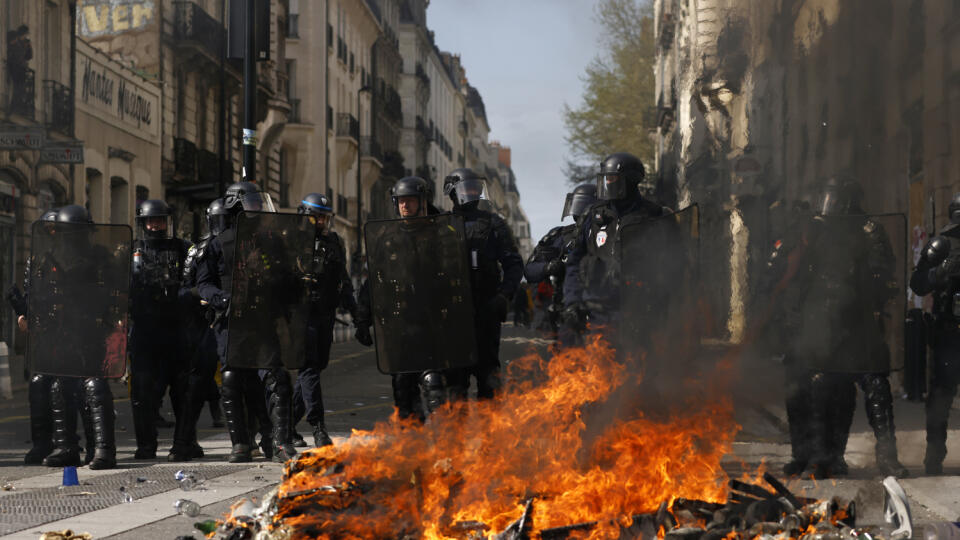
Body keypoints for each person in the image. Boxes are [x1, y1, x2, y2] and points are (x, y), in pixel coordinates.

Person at [784, 177, 908, 478]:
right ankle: (821, 456)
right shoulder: (817, 231)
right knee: (821, 384)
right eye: (828, 198)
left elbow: (884, 274)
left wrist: (870, 295)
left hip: (861, 320)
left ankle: (887, 457)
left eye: (836, 199)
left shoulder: (870, 232)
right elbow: (799, 273)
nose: (831, 205)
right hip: (824, 321)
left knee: (877, 384)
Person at [29, 205, 126, 470]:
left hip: (91, 328)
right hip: (61, 330)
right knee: (61, 387)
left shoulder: (100, 257)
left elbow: (116, 291)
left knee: (94, 385)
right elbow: (37, 294)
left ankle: (103, 448)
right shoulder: (48, 260)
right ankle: (66, 447)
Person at [197, 182, 278, 463]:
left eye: (259, 203)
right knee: (232, 378)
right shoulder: (219, 244)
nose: (257, 209)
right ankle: (240, 443)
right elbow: (203, 284)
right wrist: (222, 299)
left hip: (261, 319)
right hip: (231, 322)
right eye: (252, 204)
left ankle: (272, 437)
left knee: (267, 378)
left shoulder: (268, 240)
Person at [563, 153, 671, 345]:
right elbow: (573, 262)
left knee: (637, 372)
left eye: (612, 178)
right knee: (599, 370)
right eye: (605, 178)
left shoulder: (654, 216)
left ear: (630, 181)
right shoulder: (593, 216)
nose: (608, 183)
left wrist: (664, 309)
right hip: (597, 311)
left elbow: (671, 265)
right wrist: (572, 302)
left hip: (639, 312)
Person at [442, 168, 523, 400]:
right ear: (453, 192)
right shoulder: (440, 225)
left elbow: (514, 264)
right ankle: (456, 434)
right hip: (453, 313)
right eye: (466, 189)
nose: (471, 193)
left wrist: (504, 295)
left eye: (474, 189)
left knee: (489, 377)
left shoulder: (494, 224)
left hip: (485, 308)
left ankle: (491, 434)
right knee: (454, 381)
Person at [292, 192, 360, 447]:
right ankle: (318, 428)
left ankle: (287, 424)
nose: (320, 221)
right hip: (303, 316)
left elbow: (342, 279)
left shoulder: (334, 242)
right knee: (309, 368)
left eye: (324, 217)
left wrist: (355, 313)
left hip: (326, 314)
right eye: (316, 216)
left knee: (314, 368)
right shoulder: (295, 242)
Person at [129, 200, 189, 460]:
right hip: (144, 330)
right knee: (142, 390)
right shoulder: (132, 251)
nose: (155, 225)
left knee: (183, 390)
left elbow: (194, 280)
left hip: (176, 330)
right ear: (143, 223)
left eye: (160, 220)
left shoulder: (182, 249)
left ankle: (184, 443)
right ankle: (146, 445)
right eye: (151, 221)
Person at [168, 198, 227, 461]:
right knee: (196, 383)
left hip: (242, 324)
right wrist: (204, 295)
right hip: (208, 324)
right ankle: (182, 442)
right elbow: (183, 290)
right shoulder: (200, 249)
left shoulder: (248, 247)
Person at [910, 191, 960, 475]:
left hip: (949, 334)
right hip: (949, 332)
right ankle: (934, 455)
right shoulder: (941, 245)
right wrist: (939, 273)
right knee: (940, 398)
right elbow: (917, 283)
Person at [525, 183, 597, 340]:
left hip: (600, 313)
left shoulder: (608, 235)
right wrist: (548, 267)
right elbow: (530, 270)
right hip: (566, 312)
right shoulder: (560, 236)